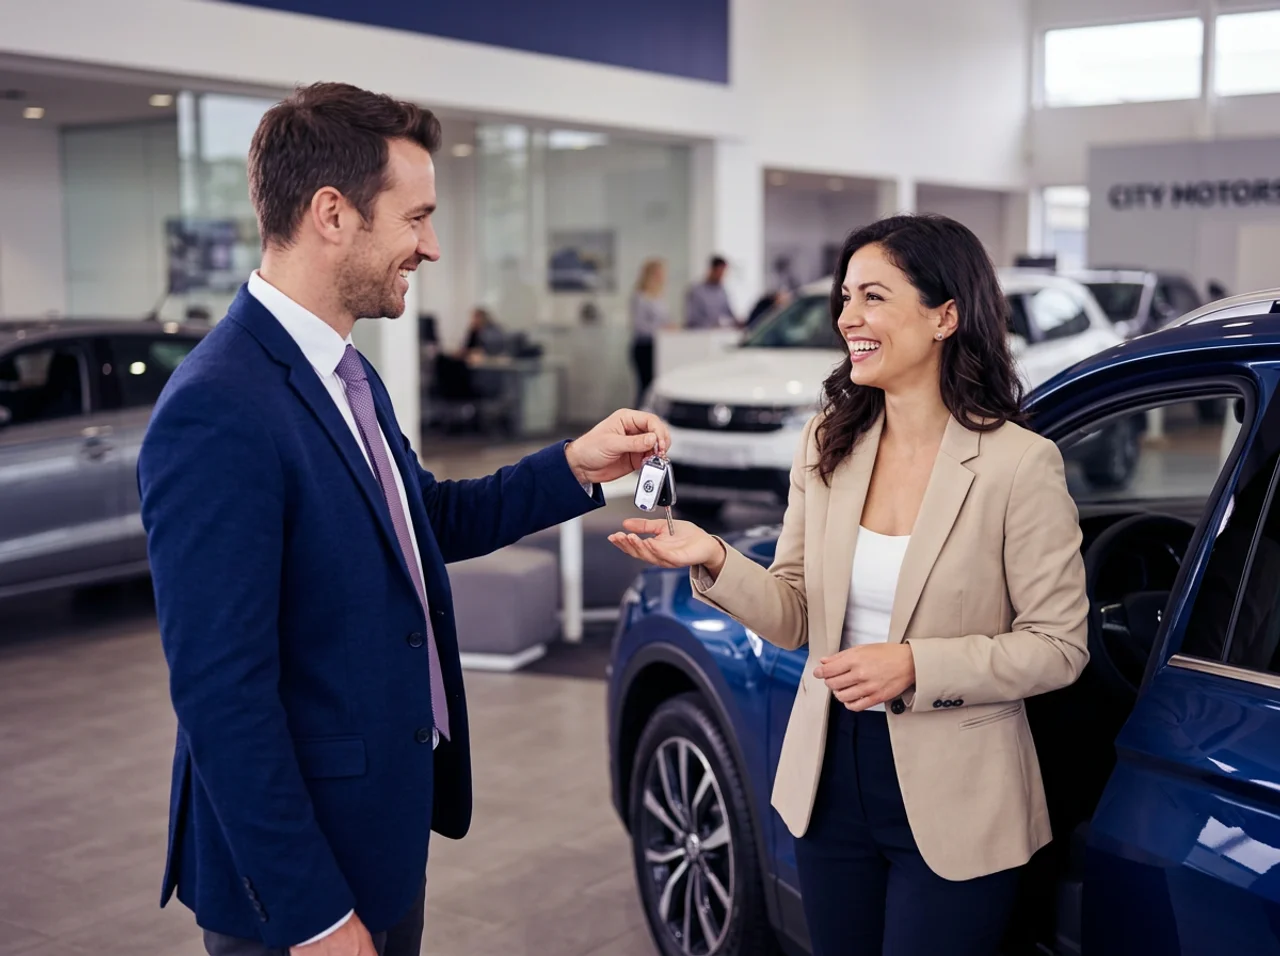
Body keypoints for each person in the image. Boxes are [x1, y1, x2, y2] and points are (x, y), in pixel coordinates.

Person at [138, 81, 670, 956]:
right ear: (332, 213)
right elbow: (220, 694)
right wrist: (310, 912)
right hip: (297, 884)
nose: (430, 246)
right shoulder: (218, 407)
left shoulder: (344, 373)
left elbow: (421, 522)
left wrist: (574, 465)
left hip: (378, 835)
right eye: (415, 218)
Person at [611, 214, 1090, 956]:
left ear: (944, 316)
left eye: (872, 297)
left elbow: (1058, 647)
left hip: (956, 795)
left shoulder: (1018, 465)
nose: (847, 319)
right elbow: (795, 613)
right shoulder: (829, 440)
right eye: (844, 298)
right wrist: (711, 557)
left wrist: (916, 667)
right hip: (828, 777)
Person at [629, 258, 671, 404]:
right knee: (645, 388)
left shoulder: (659, 297)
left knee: (654, 389)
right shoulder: (640, 297)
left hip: (658, 347)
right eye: (660, 273)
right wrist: (661, 330)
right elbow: (640, 326)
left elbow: (663, 320)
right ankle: (635, 424)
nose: (663, 276)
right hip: (644, 347)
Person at [684, 255, 738, 329]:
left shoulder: (723, 292)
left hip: (721, 334)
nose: (721, 277)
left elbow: (730, 315)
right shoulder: (696, 291)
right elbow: (692, 320)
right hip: (701, 335)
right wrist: (713, 325)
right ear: (711, 270)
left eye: (723, 273)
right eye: (719, 273)